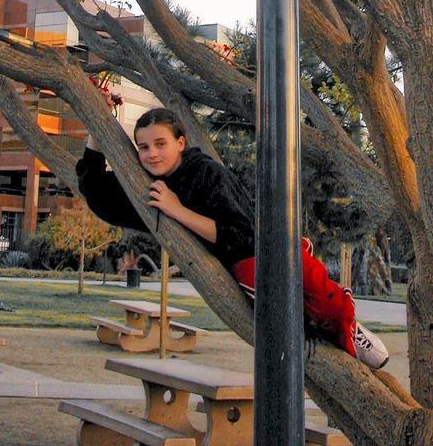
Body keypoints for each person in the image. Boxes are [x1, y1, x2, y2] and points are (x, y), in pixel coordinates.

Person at [75, 90, 389, 370]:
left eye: (161, 144)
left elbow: (240, 234)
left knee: (326, 300)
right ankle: (332, 335)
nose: (151, 154)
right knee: (290, 321)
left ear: (181, 143)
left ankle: (351, 329)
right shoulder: (151, 186)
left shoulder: (207, 173)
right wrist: (95, 131)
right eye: (143, 147)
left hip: (270, 249)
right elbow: (99, 196)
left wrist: (177, 210)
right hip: (244, 272)